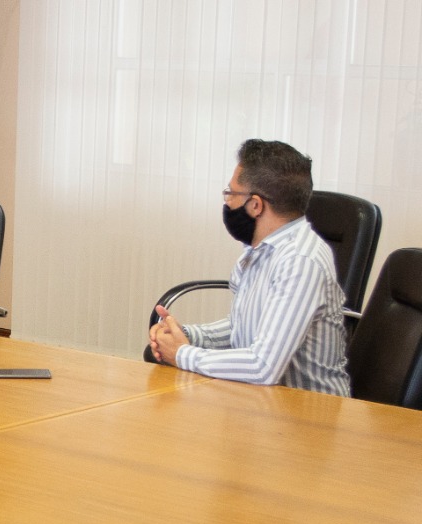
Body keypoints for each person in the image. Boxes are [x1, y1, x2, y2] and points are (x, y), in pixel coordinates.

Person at [149, 139, 351, 395]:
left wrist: (182, 354)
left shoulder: (301, 261)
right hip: (261, 400)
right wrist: (186, 334)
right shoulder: (259, 251)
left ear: (256, 205)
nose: (227, 202)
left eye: (231, 194)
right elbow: (240, 328)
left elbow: (263, 367)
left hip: (309, 409)